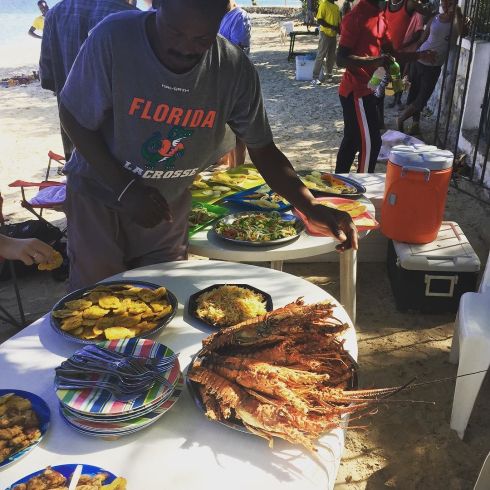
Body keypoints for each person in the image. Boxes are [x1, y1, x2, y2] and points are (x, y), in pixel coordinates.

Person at [58, 0, 358, 290]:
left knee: (164, 294)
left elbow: (263, 149)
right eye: (174, 32)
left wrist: (309, 205)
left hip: (168, 204)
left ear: (221, 19)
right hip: (99, 194)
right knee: (98, 299)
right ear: (156, 4)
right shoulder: (115, 37)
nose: (185, 47)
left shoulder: (233, 68)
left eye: (202, 38)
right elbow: (72, 114)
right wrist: (126, 189)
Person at [334, 0, 435, 174]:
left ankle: (338, 181)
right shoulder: (356, 17)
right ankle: (362, 183)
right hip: (355, 91)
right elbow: (341, 59)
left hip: (367, 89)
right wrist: (375, 61)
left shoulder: (380, 16)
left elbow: (392, 55)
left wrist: (419, 55)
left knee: (352, 140)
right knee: (371, 144)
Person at [39, 0, 138, 161]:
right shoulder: (132, 19)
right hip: (119, 150)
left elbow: (47, 80)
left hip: (74, 143)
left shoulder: (55, 13)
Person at [397, 0, 465, 134]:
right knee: (414, 93)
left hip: (433, 66)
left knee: (423, 97)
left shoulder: (458, 22)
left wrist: (457, 12)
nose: (446, 7)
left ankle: (401, 118)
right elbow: (421, 40)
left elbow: (463, 34)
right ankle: (415, 124)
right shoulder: (435, 19)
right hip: (419, 60)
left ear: (455, 4)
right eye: (444, 4)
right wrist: (409, 62)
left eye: (449, 4)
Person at [218, 0, 252, 167]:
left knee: (237, 129)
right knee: (223, 125)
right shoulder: (217, 14)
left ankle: (236, 167)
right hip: (218, 78)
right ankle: (225, 160)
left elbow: (238, 51)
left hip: (235, 79)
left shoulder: (240, 16)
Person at [384, 0, 433, 108]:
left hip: (406, 51)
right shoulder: (389, 6)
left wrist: (404, 44)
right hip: (394, 50)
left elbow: (418, 34)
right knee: (393, 75)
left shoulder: (417, 14)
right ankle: (395, 98)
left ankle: (398, 100)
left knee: (401, 75)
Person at [311, 0, 341, 85]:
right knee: (321, 55)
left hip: (333, 35)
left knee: (331, 56)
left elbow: (338, 23)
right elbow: (319, 20)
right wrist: (331, 27)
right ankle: (315, 78)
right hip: (324, 33)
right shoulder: (324, 4)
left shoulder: (336, 7)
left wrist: (339, 30)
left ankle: (329, 77)